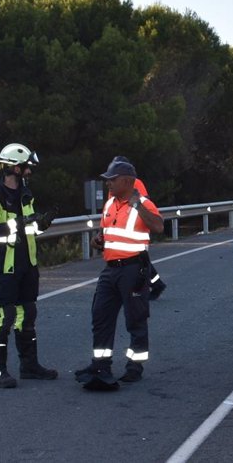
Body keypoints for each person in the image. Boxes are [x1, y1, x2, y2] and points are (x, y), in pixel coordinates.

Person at [75, 159, 163, 390]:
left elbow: (158, 227)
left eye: (112, 180)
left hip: (134, 269)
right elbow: (108, 234)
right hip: (110, 269)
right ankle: (100, 364)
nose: (108, 185)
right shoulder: (109, 204)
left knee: (135, 319)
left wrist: (138, 206)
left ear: (126, 181)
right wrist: (99, 241)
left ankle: (135, 367)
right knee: (100, 316)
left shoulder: (143, 203)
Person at [0, 143, 57, 388]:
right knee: (5, 317)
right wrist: (22, 222)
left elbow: (30, 228)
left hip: (27, 265)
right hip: (4, 266)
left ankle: (29, 366)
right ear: (14, 167)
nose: (29, 172)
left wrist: (41, 223)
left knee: (28, 314)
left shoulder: (26, 194)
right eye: (26, 168)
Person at [108, 156, 166, 300]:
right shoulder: (114, 183)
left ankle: (151, 285)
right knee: (135, 260)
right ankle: (155, 283)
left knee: (138, 260)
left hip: (134, 228)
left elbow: (144, 203)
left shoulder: (136, 182)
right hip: (121, 229)